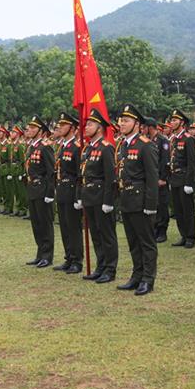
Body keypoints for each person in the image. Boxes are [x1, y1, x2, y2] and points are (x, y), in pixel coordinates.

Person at [115, 104, 159, 296]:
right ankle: (137, 276)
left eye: (126, 120)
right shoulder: (123, 144)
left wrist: (150, 205)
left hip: (140, 200)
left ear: (137, 124)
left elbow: (152, 177)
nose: (121, 124)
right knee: (133, 241)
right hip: (127, 199)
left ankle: (148, 280)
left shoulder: (146, 144)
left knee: (146, 242)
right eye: (121, 120)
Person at [79, 109, 118, 283]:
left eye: (90, 124)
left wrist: (108, 201)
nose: (86, 127)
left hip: (102, 197)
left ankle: (110, 269)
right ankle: (100, 266)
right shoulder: (88, 149)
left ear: (100, 128)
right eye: (86, 124)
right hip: (89, 197)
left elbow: (111, 177)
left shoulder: (106, 148)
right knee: (95, 233)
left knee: (107, 235)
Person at [53, 112, 84, 274]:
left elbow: (80, 174)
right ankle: (69, 257)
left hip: (72, 191)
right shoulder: (63, 145)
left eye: (63, 125)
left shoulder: (77, 147)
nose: (59, 127)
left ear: (72, 128)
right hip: (62, 190)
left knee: (73, 227)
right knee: (64, 226)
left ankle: (77, 261)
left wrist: (79, 196)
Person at [24, 116, 56, 267]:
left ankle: (47, 256)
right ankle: (40, 253)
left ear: (41, 131)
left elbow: (51, 172)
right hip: (32, 188)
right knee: (36, 223)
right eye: (29, 127)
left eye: (33, 128)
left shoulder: (45, 147)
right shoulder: (32, 146)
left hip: (42, 189)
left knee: (45, 224)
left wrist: (50, 193)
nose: (29, 130)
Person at [167, 109, 195, 248]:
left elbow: (192, 162)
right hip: (174, 178)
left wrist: (189, 182)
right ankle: (183, 235)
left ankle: (190, 236)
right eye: (171, 120)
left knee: (187, 210)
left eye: (175, 120)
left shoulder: (188, 138)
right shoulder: (173, 139)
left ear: (182, 122)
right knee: (178, 210)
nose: (172, 123)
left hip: (184, 178)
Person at [144, 117, 172, 244]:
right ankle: (155, 229)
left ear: (150, 127)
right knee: (154, 205)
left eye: (144, 127)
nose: (142, 129)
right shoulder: (148, 140)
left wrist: (162, 178)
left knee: (162, 205)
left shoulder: (163, 141)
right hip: (151, 179)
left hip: (160, 179)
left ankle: (162, 231)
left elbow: (165, 161)